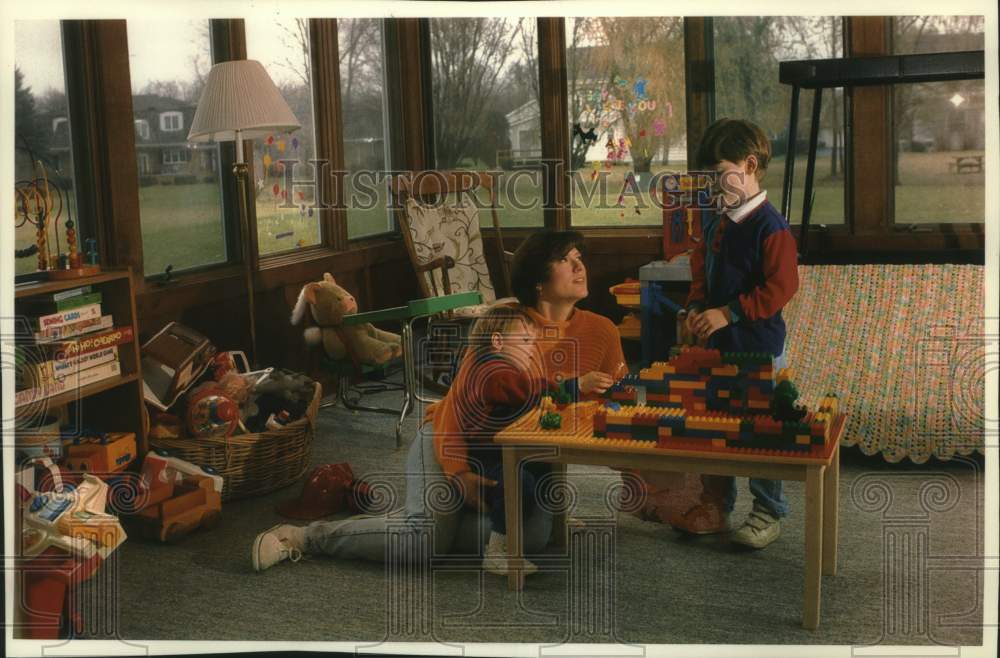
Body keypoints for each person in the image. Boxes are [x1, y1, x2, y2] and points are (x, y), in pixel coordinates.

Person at [252, 230, 625, 571]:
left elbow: (617, 409)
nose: (580, 266)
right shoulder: (504, 326)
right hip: (453, 440)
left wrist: (650, 482)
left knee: (533, 538)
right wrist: (459, 473)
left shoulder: (602, 331)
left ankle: (423, 515)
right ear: (539, 282)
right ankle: (304, 536)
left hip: (515, 462)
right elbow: (455, 409)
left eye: (580, 257)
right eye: (565, 260)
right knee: (425, 543)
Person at [668, 117, 799, 549]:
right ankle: (716, 503)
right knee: (712, 425)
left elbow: (782, 288)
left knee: (761, 431)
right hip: (716, 349)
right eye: (707, 175)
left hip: (759, 349)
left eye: (718, 172)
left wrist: (730, 313)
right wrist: (693, 309)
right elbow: (700, 272)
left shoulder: (771, 226)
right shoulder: (715, 222)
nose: (712, 183)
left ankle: (767, 510)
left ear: (749, 164)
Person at [439, 305, 612, 575]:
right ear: (497, 341)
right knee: (520, 483)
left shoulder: (500, 368)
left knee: (545, 464)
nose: (531, 348)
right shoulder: (493, 371)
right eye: (524, 341)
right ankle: (497, 550)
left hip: (503, 447)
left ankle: (557, 519)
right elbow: (528, 390)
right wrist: (576, 385)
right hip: (486, 457)